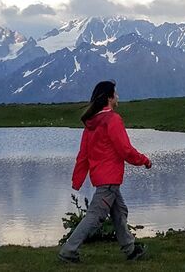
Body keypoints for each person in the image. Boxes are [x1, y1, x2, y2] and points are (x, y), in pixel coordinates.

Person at [58, 80, 151, 263]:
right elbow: (125, 149)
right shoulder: (113, 119)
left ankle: (131, 250)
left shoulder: (92, 123)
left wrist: (77, 179)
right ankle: (68, 251)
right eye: (115, 94)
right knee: (95, 216)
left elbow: (83, 155)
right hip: (109, 178)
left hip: (102, 177)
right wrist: (144, 160)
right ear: (109, 98)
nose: (118, 97)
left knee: (119, 210)